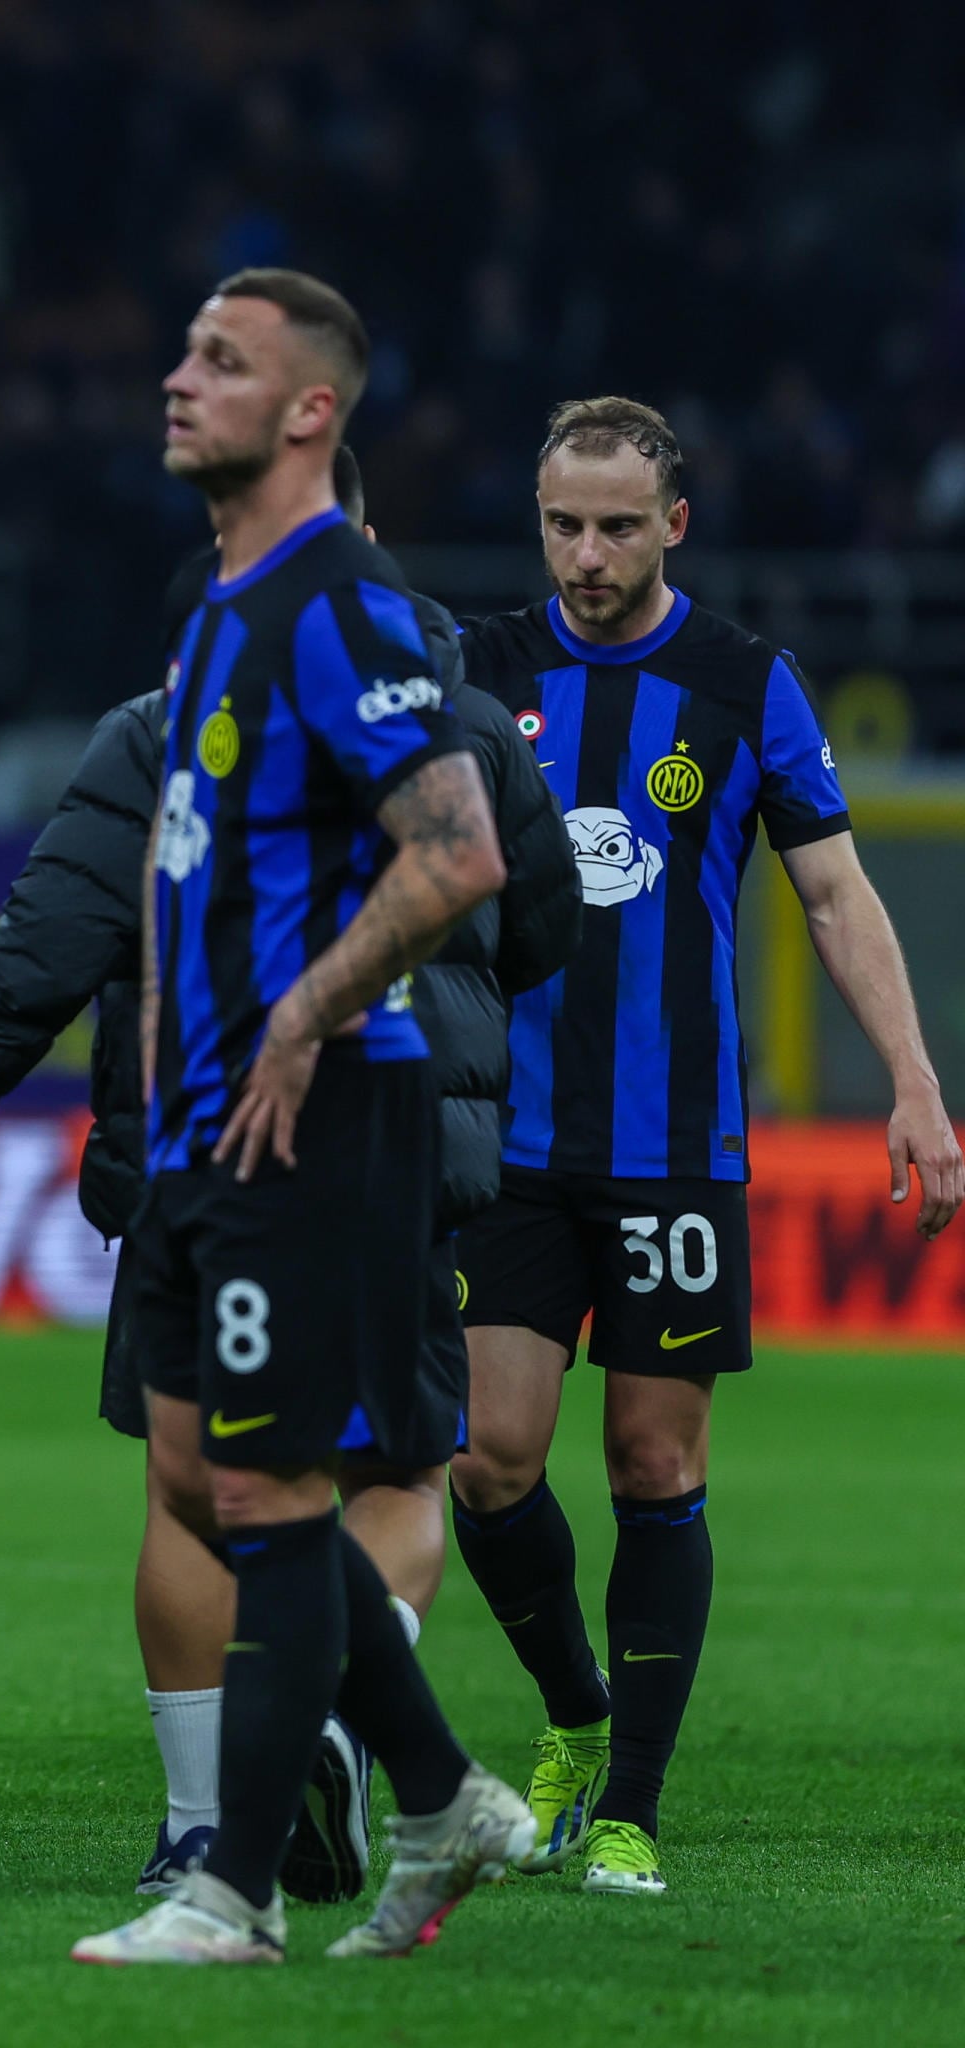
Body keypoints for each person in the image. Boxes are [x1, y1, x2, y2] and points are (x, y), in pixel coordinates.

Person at [0, 441, 579, 1902]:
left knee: (191, 1484)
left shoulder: (158, 730)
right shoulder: (469, 725)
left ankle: (210, 1822)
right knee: (396, 1469)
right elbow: (542, 930)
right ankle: (353, 1719)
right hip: (408, 1153)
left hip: (206, 1141)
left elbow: (48, 944)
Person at [71, 270, 530, 1965]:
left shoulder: (340, 608)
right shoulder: (222, 605)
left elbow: (462, 851)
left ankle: (233, 1892)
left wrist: (303, 1012)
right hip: (201, 1123)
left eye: (223, 361)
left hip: (310, 1118)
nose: (178, 380)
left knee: (266, 1494)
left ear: (312, 411)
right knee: (201, 1476)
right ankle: (442, 1793)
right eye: (185, 347)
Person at [446, 397, 962, 1898]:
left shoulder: (745, 685)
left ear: (675, 524)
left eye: (617, 525)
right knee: (487, 1460)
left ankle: (633, 1812)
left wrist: (915, 1082)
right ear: (537, 519)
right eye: (562, 524)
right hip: (510, 1139)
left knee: (654, 1458)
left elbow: (836, 896)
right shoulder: (482, 673)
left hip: (675, 1145)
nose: (587, 554)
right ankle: (573, 1717)